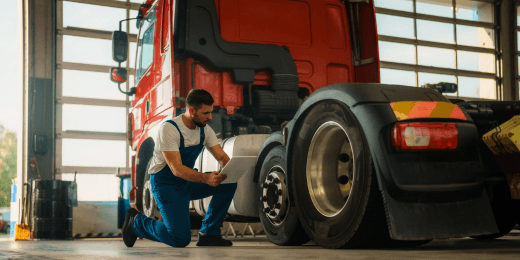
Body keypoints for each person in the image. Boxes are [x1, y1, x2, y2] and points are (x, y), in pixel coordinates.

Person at [122, 89, 237, 247]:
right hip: (166, 185)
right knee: (179, 239)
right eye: (205, 113)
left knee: (228, 183)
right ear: (191, 110)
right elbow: (176, 169)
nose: (210, 117)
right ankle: (137, 223)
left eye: (211, 112)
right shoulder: (169, 129)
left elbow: (222, 157)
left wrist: (231, 171)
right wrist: (207, 178)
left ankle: (209, 233)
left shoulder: (205, 130)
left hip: (186, 182)